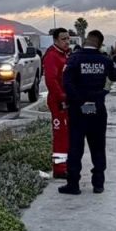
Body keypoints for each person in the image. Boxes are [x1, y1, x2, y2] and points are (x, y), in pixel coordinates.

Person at [60, 29, 116, 195]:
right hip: (97, 108)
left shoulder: (74, 59)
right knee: (98, 146)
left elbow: (66, 83)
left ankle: (73, 184)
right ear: (100, 43)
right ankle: (98, 184)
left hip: (78, 110)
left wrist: (79, 101)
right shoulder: (104, 60)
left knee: (75, 147)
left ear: (87, 40)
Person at [41, 27, 72, 179]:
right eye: (63, 39)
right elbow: (51, 81)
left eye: (68, 38)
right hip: (58, 102)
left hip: (66, 101)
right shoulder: (52, 56)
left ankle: (66, 165)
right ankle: (59, 169)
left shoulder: (65, 55)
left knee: (67, 135)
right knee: (60, 136)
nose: (67, 42)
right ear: (55, 40)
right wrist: (62, 98)